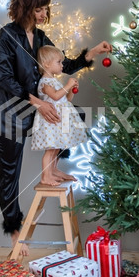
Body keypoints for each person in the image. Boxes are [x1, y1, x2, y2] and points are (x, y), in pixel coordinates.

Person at [0, 0, 112, 255]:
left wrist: (93, 52)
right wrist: (38, 103)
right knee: (9, 172)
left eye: (46, 9)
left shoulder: (42, 38)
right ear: (27, 6)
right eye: (40, 8)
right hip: (6, 112)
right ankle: (15, 230)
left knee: (71, 114)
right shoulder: (6, 36)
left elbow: (63, 63)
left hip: (34, 108)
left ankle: (53, 168)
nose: (44, 14)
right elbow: (4, 78)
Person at [31, 45, 87, 185]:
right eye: (59, 62)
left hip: (58, 121)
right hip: (50, 121)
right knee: (50, 150)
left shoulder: (54, 81)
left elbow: (65, 100)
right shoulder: (45, 83)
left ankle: (53, 170)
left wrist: (71, 91)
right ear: (46, 64)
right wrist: (67, 85)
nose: (62, 65)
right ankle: (45, 176)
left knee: (56, 148)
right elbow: (55, 96)